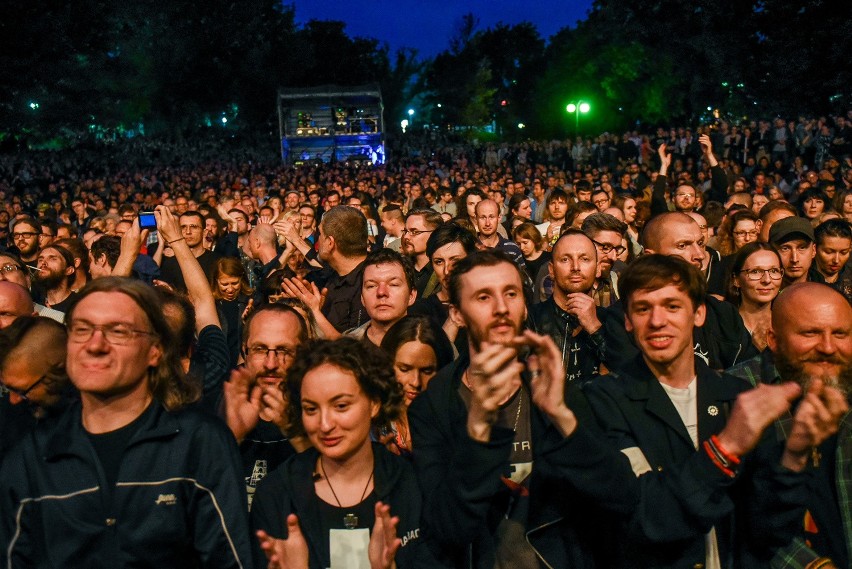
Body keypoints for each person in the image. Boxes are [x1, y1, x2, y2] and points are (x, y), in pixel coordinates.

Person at [585, 255, 844, 569]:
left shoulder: (737, 396)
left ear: (698, 314)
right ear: (627, 320)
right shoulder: (599, 402)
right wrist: (726, 447)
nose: (657, 321)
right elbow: (643, 519)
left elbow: (766, 531)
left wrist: (793, 456)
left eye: (672, 306)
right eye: (642, 309)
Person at [0, 277, 253, 568]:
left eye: (118, 331)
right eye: (81, 330)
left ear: (154, 350)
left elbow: (230, 561)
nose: (95, 344)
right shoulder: (32, 455)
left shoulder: (199, 443)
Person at [408, 250, 636, 569]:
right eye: (484, 297)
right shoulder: (433, 406)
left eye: (511, 294)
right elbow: (448, 529)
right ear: (457, 314)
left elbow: (620, 495)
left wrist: (563, 418)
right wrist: (480, 433)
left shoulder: (552, 387)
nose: (501, 308)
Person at [251, 337, 431, 569]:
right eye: (311, 409)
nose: (325, 424)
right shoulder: (277, 494)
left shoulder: (410, 483)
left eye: (341, 406)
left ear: (374, 403)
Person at [725, 282, 852, 567]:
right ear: (774, 339)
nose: (828, 347)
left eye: (841, 333)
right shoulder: (737, 394)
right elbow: (738, 516)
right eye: (811, 333)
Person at [605, 212, 756, 371]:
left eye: (701, 243)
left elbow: (751, 376)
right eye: (683, 245)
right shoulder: (624, 318)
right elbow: (634, 382)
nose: (699, 255)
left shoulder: (723, 314)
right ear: (652, 256)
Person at [225, 303, 310, 510]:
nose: (271, 364)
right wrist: (232, 436)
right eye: (260, 349)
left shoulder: (319, 406)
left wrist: (295, 433)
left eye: (284, 350)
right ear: (244, 351)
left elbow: (334, 491)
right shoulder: (219, 400)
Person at [528, 230, 607, 385]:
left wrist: (595, 329)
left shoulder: (612, 321)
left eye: (584, 259)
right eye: (565, 259)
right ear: (551, 270)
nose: (575, 267)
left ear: (598, 269)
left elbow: (626, 375)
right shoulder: (532, 321)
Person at [379, 315, 453, 456]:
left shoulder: (457, 422)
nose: (416, 382)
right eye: (404, 369)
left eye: (427, 371)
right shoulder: (372, 419)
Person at [346, 249, 417, 346]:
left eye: (393, 284)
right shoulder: (346, 349)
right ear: (362, 298)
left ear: (411, 296)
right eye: (371, 286)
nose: (381, 292)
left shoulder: (429, 346)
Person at [724, 242, 784, 351]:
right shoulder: (723, 327)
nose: (767, 280)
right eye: (755, 272)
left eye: (774, 271)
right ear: (736, 280)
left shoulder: (787, 326)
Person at [211, 256, 254, 369]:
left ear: (241, 279)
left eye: (235, 283)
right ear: (216, 281)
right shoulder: (211, 304)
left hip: (242, 364)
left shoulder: (251, 301)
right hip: (218, 365)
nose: (230, 289)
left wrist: (249, 320)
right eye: (224, 284)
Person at [769, 216, 817, 289]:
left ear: (813, 250)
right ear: (771, 251)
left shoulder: (829, 294)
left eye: (802, 248)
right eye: (785, 248)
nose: (794, 259)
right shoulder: (761, 295)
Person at [813, 218, 852, 303]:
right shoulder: (805, 276)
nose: (836, 260)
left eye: (843, 252)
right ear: (814, 248)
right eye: (829, 252)